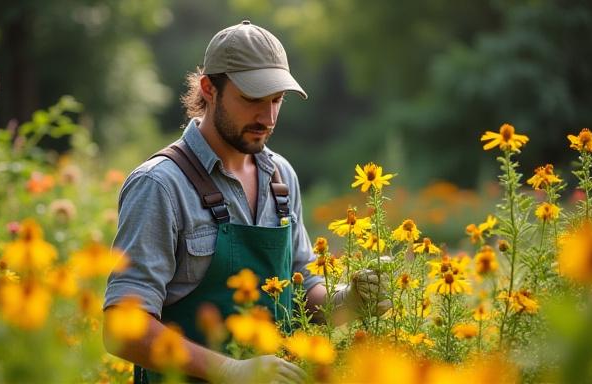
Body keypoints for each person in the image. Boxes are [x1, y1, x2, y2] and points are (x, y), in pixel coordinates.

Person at [103, 20, 388, 384]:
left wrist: (350, 301)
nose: (267, 118)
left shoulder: (281, 177)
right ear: (209, 88)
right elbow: (122, 329)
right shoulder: (160, 184)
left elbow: (303, 288)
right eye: (252, 99)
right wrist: (229, 369)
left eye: (276, 100)